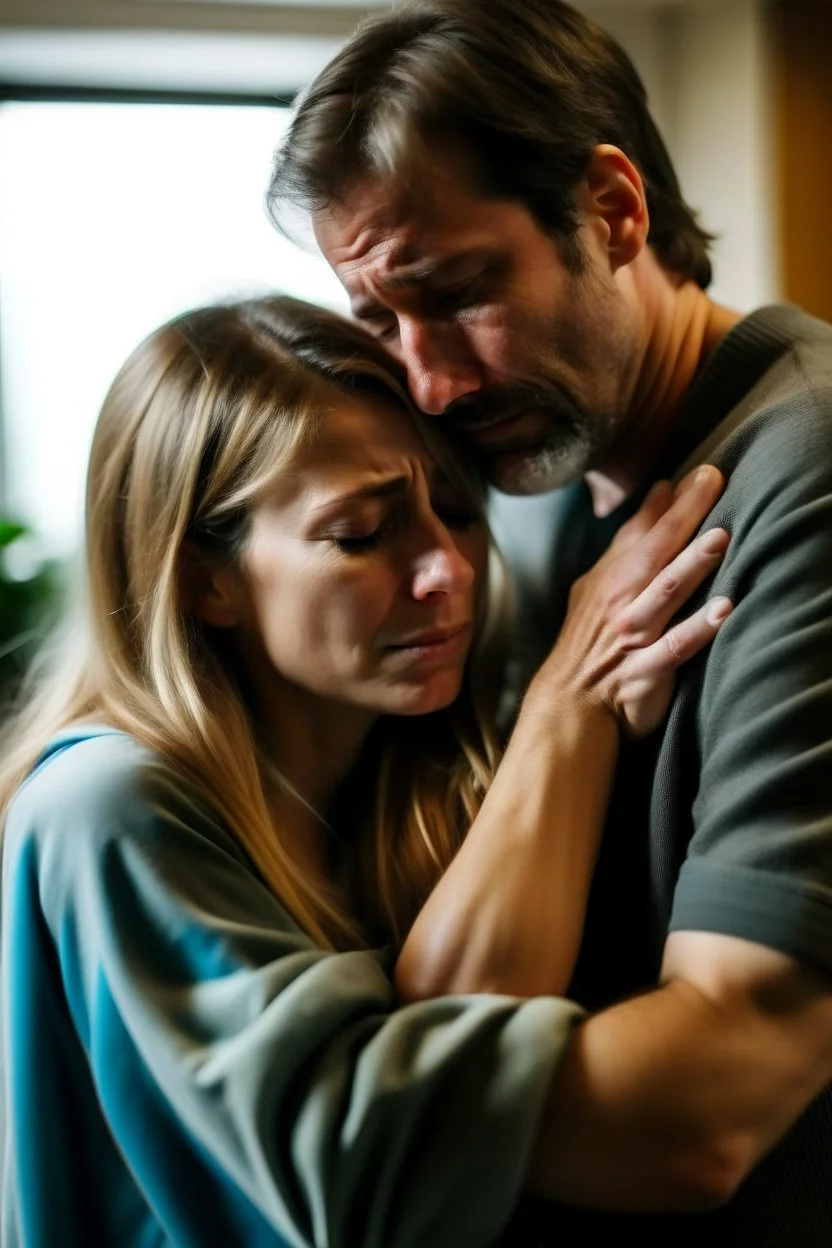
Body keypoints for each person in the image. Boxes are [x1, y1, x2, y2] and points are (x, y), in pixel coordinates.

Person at [267, 0, 832, 1242]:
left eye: (458, 291)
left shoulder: (811, 472)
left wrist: (321, 1115)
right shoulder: (519, 489)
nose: (429, 383)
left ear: (614, 211)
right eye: (379, 321)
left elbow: (708, 1101)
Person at [0, 293, 730, 1247]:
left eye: (460, 512)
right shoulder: (103, 808)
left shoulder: (416, 773)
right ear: (202, 579)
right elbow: (370, 1180)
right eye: (361, 532)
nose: (450, 571)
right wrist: (567, 708)